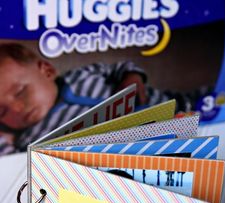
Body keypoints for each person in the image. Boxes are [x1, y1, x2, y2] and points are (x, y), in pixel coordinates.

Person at [0, 43, 191, 156]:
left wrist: (133, 77)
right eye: (2, 111)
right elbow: (12, 165)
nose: (17, 108)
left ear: (47, 70)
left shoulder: (80, 75)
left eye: (20, 92)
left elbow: (121, 67)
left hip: (178, 105)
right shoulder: (30, 141)